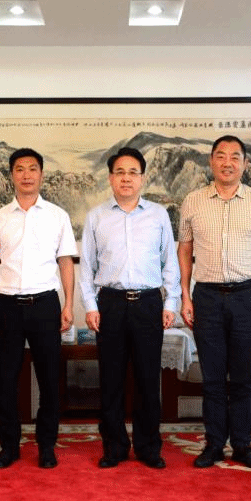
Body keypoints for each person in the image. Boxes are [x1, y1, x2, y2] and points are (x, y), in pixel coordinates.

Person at [178, 135, 251, 470]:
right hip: (207, 296)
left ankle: (241, 445)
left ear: (245, 164)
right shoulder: (193, 201)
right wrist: (185, 295)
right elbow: (185, 249)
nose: (228, 163)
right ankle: (213, 445)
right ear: (211, 161)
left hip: (248, 296)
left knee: (243, 377)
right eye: (221, 156)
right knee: (211, 377)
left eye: (235, 157)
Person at [79, 147, 180, 469]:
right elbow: (86, 266)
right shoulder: (97, 216)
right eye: (120, 172)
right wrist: (91, 306)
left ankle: (149, 447)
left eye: (133, 172)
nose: (126, 178)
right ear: (110, 178)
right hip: (110, 303)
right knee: (111, 380)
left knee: (148, 379)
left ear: (143, 178)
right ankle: (114, 447)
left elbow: (170, 261)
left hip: (149, 302)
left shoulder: (158, 214)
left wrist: (171, 301)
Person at [0, 148, 77, 469]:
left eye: (32, 168)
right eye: (19, 169)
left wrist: (68, 304)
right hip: (6, 306)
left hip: (45, 304)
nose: (26, 175)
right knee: (6, 381)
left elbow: (65, 262)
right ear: (11, 175)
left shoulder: (57, 216)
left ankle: (46, 445)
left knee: (49, 380)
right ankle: (9, 447)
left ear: (41, 174)